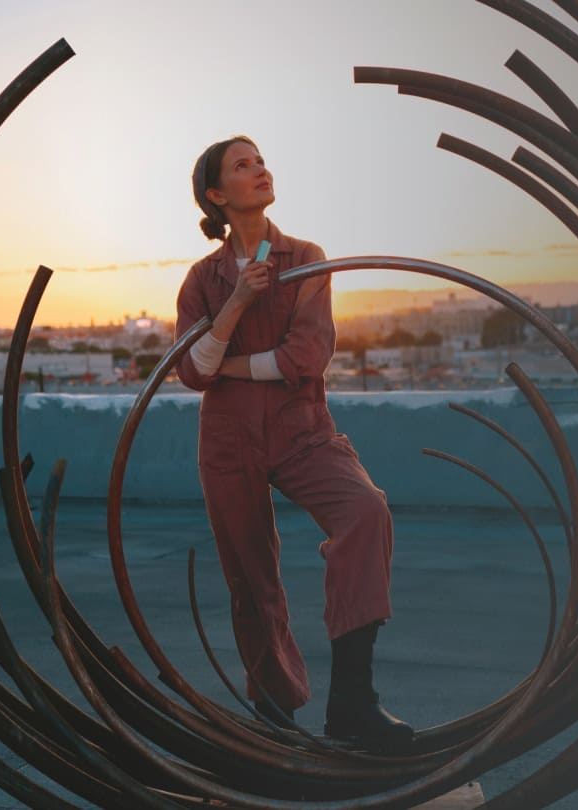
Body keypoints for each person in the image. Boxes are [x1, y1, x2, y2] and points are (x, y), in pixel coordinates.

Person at [174, 135, 413, 748]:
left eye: (260, 161)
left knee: (366, 512)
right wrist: (239, 302)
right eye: (242, 166)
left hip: (302, 431)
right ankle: (274, 716)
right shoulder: (204, 279)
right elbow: (192, 371)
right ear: (216, 195)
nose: (260, 170)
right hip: (228, 442)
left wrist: (227, 363)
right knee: (252, 577)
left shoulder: (307, 258)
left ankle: (353, 704)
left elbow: (307, 355)